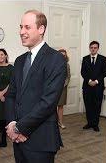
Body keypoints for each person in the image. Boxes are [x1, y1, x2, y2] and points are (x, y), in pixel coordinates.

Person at [5, 9, 66, 163]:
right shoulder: (19, 61)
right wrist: (12, 124)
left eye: (27, 27)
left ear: (41, 29)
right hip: (18, 141)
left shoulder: (56, 59)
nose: (21, 32)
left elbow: (48, 102)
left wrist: (19, 128)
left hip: (41, 140)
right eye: (20, 27)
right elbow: (11, 95)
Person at [81, 41, 106, 132]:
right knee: (88, 105)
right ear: (89, 48)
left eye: (95, 47)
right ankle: (89, 123)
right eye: (91, 47)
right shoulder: (85, 59)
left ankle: (95, 124)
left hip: (98, 87)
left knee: (97, 105)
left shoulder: (103, 59)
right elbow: (83, 72)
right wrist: (89, 81)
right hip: (87, 87)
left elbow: (104, 73)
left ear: (98, 48)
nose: (93, 49)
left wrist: (95, 81)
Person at [57, 48, 71, 129]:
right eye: (61, 55)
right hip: (54, 88)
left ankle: (60, 122)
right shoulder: (53, 64)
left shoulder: (67, 65)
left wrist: (63, 85)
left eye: (64, 55)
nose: (63, 57)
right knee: (52, 106)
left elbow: (68, 77)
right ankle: (53, 123)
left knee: (60, 106)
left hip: (63, 88)